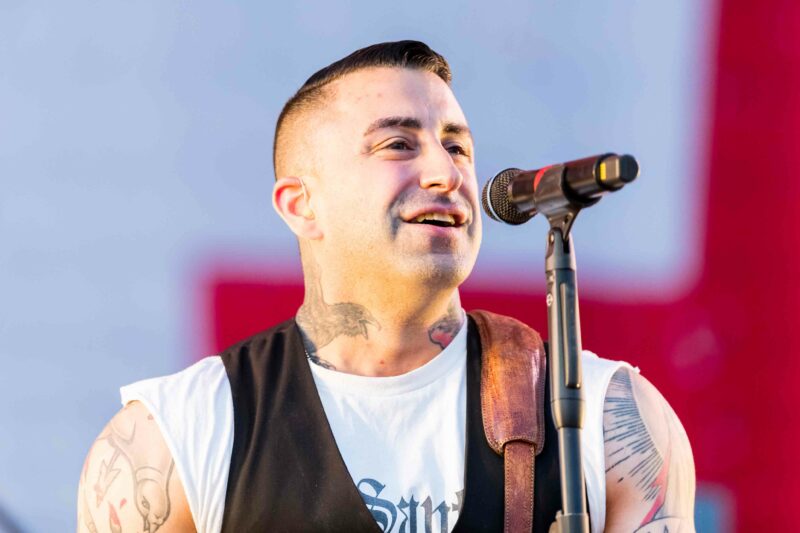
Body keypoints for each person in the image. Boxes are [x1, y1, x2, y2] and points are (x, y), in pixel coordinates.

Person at [77, 41, 696, 533]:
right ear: (301, 205)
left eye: (458, 147)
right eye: (398, 144)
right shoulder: (177, 436)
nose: (445, 172)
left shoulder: (612, 421)